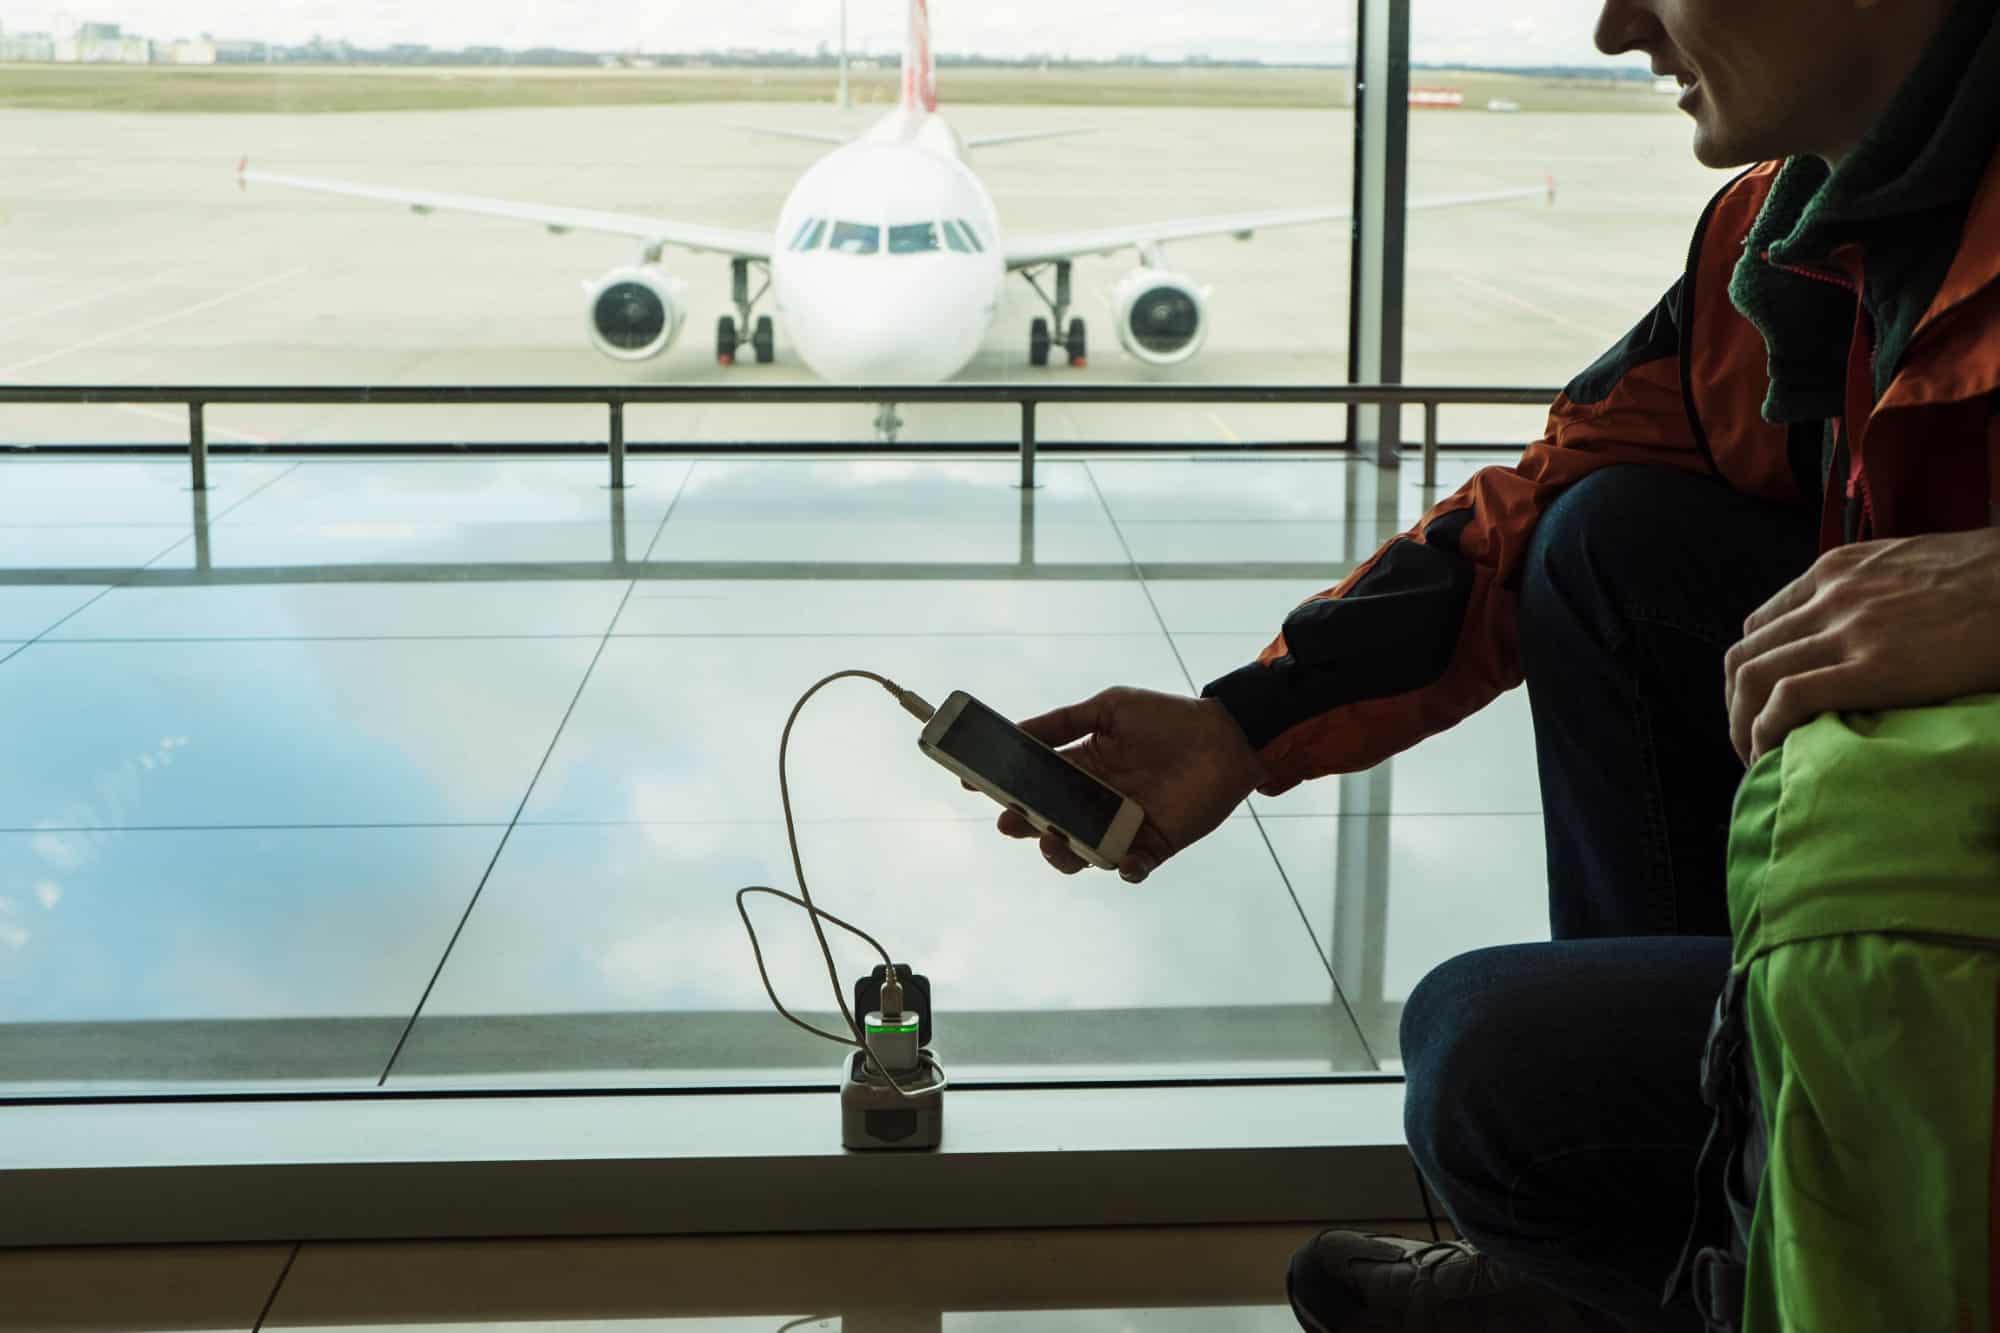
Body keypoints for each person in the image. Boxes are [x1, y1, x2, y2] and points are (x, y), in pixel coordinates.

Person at [993, 0, 2000, 1328]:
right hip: (1920, 882)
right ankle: (1694, 1225)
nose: (1614, 27)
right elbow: (1542, 507)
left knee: (1489, 1072)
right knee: (1608, 542)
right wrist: (1242, 728)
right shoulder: (1789, 241)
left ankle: (1670, 1265)